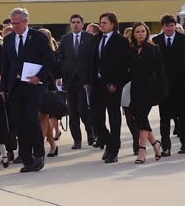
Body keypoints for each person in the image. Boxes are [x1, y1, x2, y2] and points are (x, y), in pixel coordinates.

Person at [1, 8, 54, 172]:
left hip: (33, 86)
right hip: (15, 87)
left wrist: (39, 77)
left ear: (26, 21)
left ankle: (38, 155)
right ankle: (26, 158)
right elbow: (5, 65)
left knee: (31, 120)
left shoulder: (38, 37)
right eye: (12, 23)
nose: (14, 26)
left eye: (17, 23)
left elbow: (50, 60)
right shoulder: (9, 40)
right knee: (18, 122)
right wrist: (4, 88)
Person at [92, 12, 129, 163]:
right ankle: (109, 141)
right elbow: (93, 61)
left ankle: (114, 150)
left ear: (113, 24)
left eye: (105, 23)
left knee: (114, 118)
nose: (101, 25)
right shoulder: (97, 38)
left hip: (112, 86)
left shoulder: (120, 41)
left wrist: (117, 84)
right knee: (95, 118)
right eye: (100, 22)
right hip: (97, 84)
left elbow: (124, 65)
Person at [127, 22, 165, 164]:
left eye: (143, 31)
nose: (141, 33)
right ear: (134, 34)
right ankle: (155, 144)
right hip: (135, 88)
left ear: (147, 33)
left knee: (142, 116)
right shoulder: (131, 50)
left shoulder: (153, 49)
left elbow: (160, 71)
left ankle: (142, 150)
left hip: (150, 89)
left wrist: (161, 90)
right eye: (138, 31)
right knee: (139, 118)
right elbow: (128, 72)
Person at [58, 14, 95, 149]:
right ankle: (77, 140)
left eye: (78, 22)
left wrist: (90, 79)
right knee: (72, 112)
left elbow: (93, 59)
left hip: (84, 81)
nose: (75, 24)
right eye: (73, 22)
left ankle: (90, 133)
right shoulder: (65, 39)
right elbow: (60, 58)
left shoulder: (90, 38)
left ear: (82, 24)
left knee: (83, 110)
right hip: (70, 81)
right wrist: (61, 76)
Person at [152, 14, 185, 156]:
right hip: (163, 86)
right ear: (162, 27)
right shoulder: (156, 41)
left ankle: (184, 144)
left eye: (172, 25)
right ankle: (166, 146)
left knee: (183, 116)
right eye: (166, 26)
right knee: (164, 118)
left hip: (181, 85)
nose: (169, 28)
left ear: (175, 25)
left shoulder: (183, 39)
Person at [38, 28, 61, 157]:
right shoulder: (35, 51)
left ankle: (40, 146)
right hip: (36, 85)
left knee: (43, 116)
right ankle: (52, 145)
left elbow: (57, 71)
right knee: (42, 118)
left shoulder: (53, 52)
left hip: (48, 87)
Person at [121, 27, 140, 155]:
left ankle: (139, 142)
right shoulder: (123, 50)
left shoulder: (140, 49)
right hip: (125, 86)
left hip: (139, 85)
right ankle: (135, 138)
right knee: (128, 116)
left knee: (139, 116)